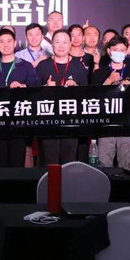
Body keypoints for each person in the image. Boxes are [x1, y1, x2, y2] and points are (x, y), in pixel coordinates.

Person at [0, 29, 38, 167]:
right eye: (2, 42)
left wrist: (23, 86)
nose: (6, 45)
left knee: (17, 163)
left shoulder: (25, 65)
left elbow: (36, 89)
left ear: (15, 43)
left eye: (9, 41)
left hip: (19, 122)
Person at [36, 30, 88, 164]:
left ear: (70, 44)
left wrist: (76, 88)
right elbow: (33, 95)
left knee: (69, 162)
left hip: (71, 121)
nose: (61, 46)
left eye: (65, 42)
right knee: (50, 162)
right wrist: (45, 88)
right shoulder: (43, 66)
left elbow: (87, 95)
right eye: (57, 42)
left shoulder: (79, 66)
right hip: (48, 121)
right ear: (52, 44)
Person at [90, 35, 130, 168]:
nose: (118, 53)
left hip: (127, 125)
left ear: (126, 52)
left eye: (122, 50)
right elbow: (94, 98)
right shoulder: (99, 73)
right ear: (109, 51)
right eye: (115, 50)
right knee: (103, 164)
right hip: (106, 125)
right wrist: (109, 81)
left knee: (127, 164)